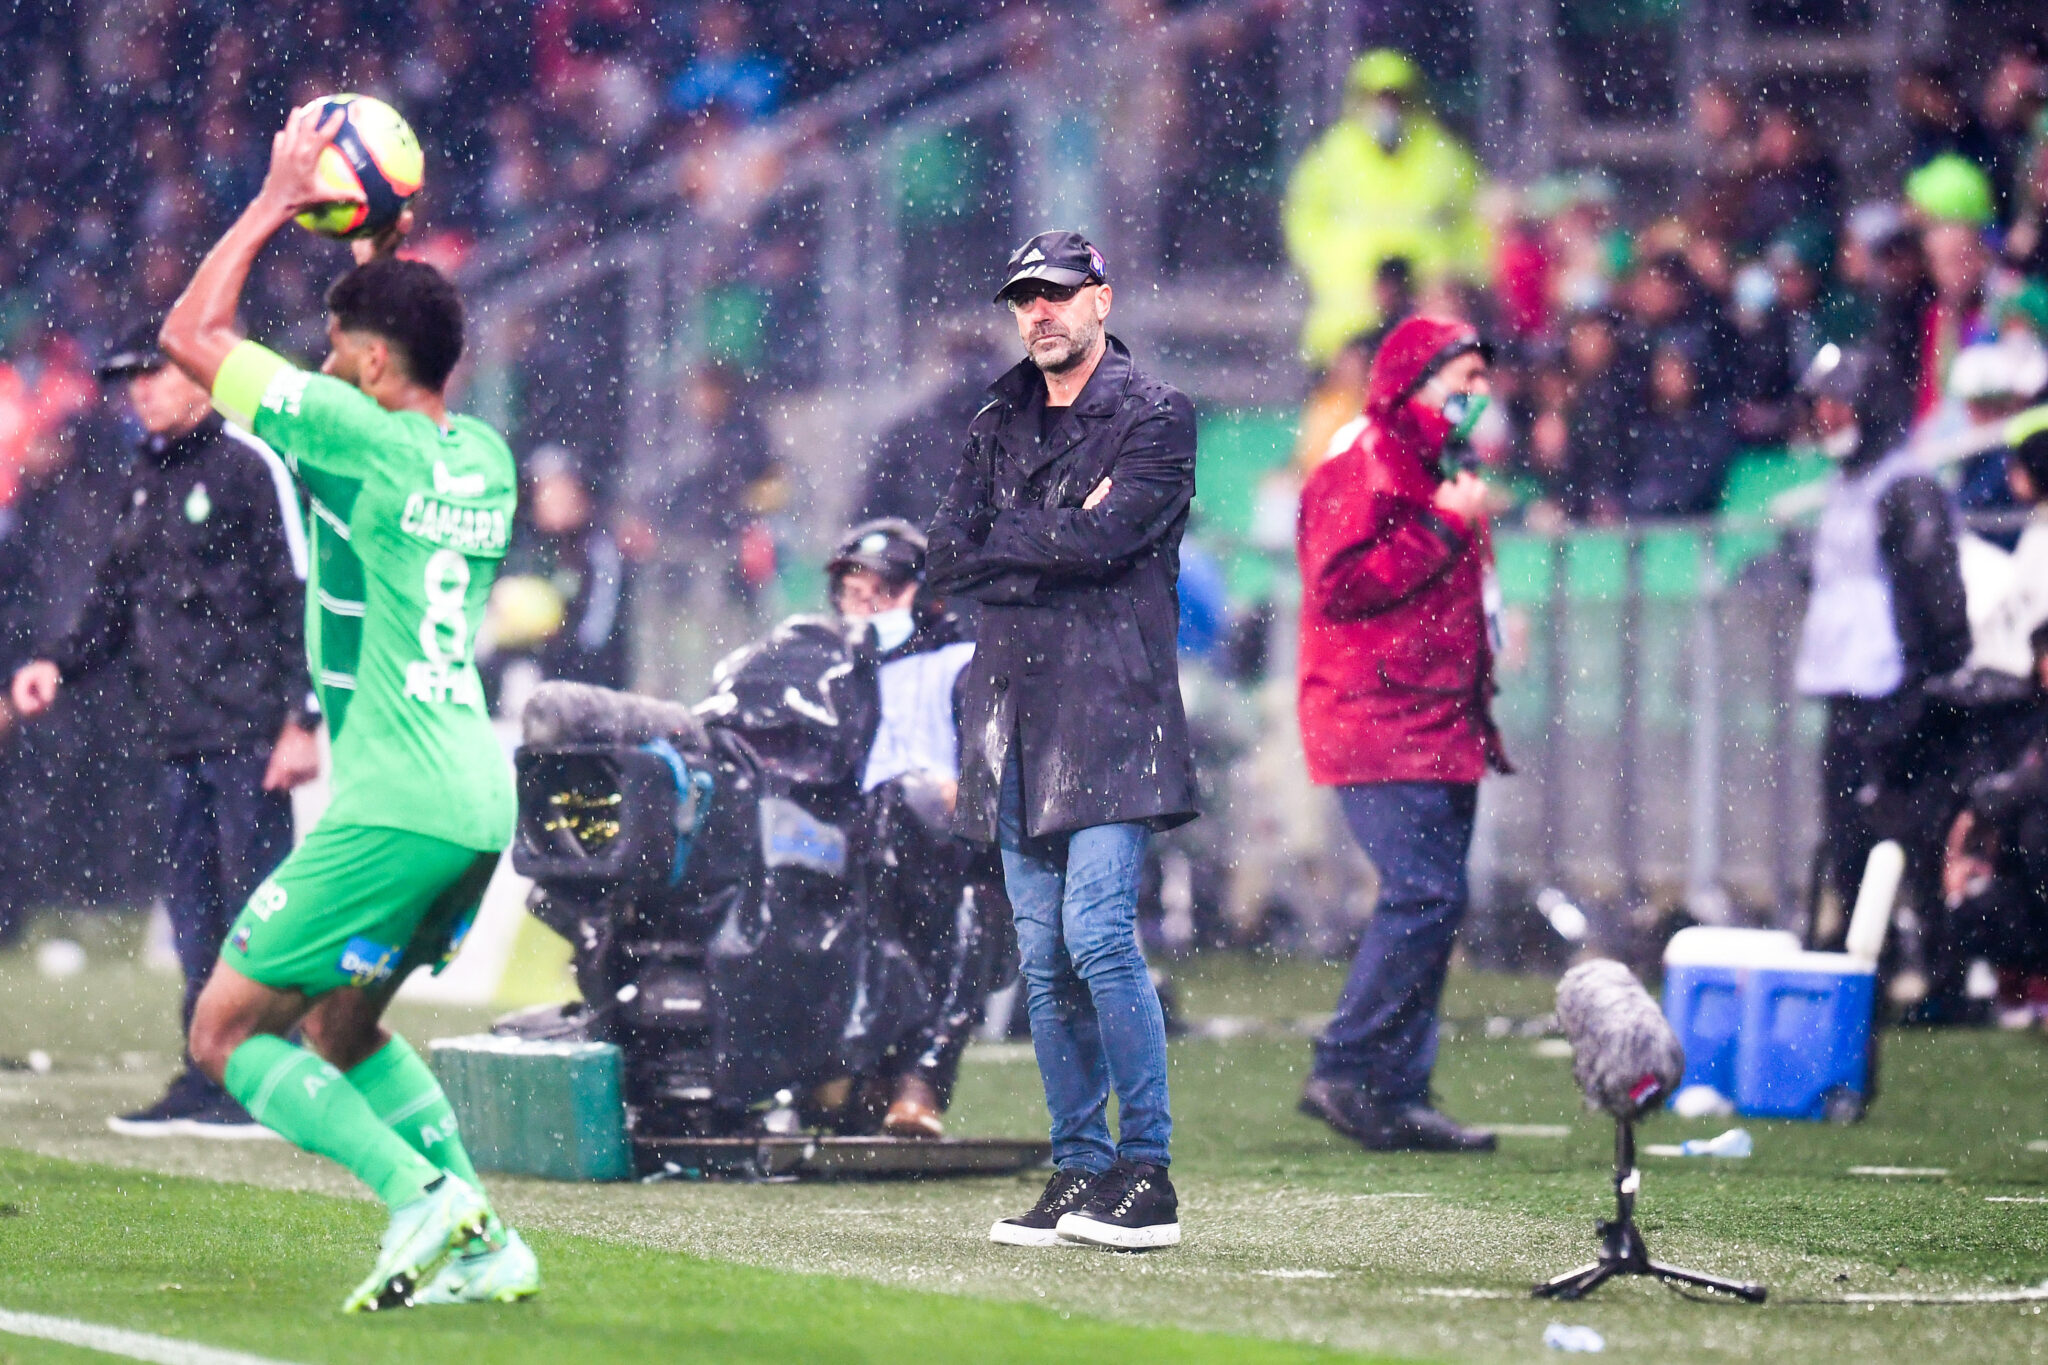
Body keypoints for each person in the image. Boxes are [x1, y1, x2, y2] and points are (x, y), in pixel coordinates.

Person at [157, 104, 536, 1310]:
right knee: (338, 1027)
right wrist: (380, 244)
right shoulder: (480, 457)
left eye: (336, 347)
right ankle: (487, 1244)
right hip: (476, 800)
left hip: (392, 802)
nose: (320, 361)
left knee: (223, 1034)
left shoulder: (347, 437)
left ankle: (422, 1200)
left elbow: (191, 331)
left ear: (371, 366)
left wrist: (276, 199)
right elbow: (401, 343)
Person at [927, 229, 1196, 1250]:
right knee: (1041, 963)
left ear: (1099, 299)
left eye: (1055, 294)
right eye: (1022, 298)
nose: (1037, 311)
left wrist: (1017, 543)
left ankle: (1147, 1175)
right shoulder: (996, 415)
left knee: (1093, 939)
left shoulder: (1158, 414)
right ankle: (1079, 1169)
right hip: (1007, 712)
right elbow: (949, 554)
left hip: (1109, 710)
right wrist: (1043, 541)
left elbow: (1104, 539)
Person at [8, 320, 319, 1138]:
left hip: (247, 733)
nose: (141, 389)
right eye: (131, 377)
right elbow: (116, 599)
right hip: (175, 735)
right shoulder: (147, 474)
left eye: (156, 372)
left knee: (256, 910)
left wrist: (303, 716)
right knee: (194, 913)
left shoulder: (252, 467)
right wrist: (60, 664)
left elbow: (297, 594)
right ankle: (206, 1067)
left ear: (200, 377)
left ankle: (263, 1077)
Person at [1293, 313, 1507, 1154]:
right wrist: (1443, 529)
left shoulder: (1436, 460)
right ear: (1410, 381)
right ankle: (1348, 1065)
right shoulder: (1364, 460)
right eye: (1464, 380)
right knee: (1425, 895)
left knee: (1437, 900)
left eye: (1483, 381)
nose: (1478, 396)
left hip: (1434, 718)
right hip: (1377, 717)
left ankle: (1395, 1088)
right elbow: (1338, 586)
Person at [1791, 344, 1972, 1013]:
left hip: (1900, 691)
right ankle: (1871, 971)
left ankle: (1945, 982)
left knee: (1919, 843)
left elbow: (1936, 596)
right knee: (1851, 839)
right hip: (1848, 689)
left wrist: (1929, 687)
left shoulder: (1906, 486)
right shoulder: (1843, 487)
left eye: (1840, 405)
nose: (1828, 418)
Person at [825, 518, 1007, 1138]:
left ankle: (918, 1078)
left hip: (945, 846)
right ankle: (865, 1069)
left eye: (883, 590)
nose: (866, 605)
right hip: (858, 846)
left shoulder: (960, 664)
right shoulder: (834, 669)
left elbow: (989, 758)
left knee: (967, 928)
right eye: (855, 591)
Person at [1282, 50, 1490, 366]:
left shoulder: (1442, 155)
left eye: (1396, 98)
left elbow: (1476, 219)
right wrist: (1326, 266)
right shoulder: (1334, 154)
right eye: (1378, 98)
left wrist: (1461, 271)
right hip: (1350, 311)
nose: (1387, 109)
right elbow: (1303, 215)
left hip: (1425, 310)